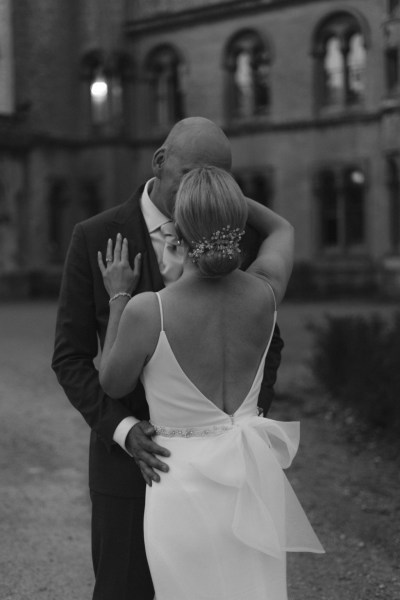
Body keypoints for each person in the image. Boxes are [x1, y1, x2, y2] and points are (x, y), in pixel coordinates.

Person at [51, 117, 284, 600]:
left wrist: (246, 421)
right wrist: (123, 430)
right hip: (126, 466)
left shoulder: (236, 236)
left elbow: (270, 343)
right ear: (159, 161)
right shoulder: (94, 236)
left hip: (226, 469)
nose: (203, 187)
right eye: (193, 173)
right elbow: (70, 357)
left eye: (219, 178)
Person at [98, 166, 324, 600]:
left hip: (178, 487)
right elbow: (282, 227)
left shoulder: (149, 311)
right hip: (250, 484)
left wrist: (118, 296)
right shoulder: (265, 292)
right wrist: (227, 199)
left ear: (177, 231)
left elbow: (111, 383)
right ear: (237, 225)